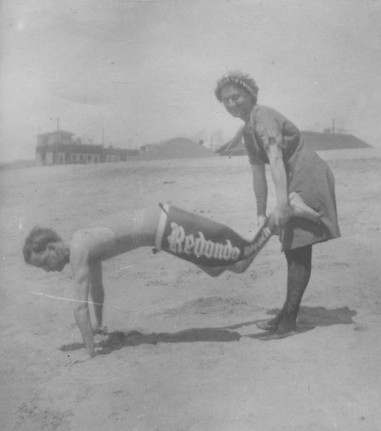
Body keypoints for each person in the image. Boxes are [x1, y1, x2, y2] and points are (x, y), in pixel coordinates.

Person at [23, 200, 319, 359]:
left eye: (42, 264)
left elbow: (78, 307)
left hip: (168, 228)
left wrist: (89, 351)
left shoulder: (78, 250)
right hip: (165, 229)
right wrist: (98, 328)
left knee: (240, 261)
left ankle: (287, 210)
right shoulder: (81, 243)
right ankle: (280, 221)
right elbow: (96, 289)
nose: (47, 271)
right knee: (217, 269)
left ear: (50, 247)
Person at [215, 71, 340, 338]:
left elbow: (274, 159)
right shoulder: (249, 128)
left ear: (250, 94)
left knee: (297, 248)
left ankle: (288, 322)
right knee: (291, 248)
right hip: (294, 180)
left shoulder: (262, 118)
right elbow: (257, 173)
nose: (231, 103)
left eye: (236, 97)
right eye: (225, 100)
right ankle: (286, 315)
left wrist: (281, 204)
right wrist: (261, 212)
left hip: (307, 177)